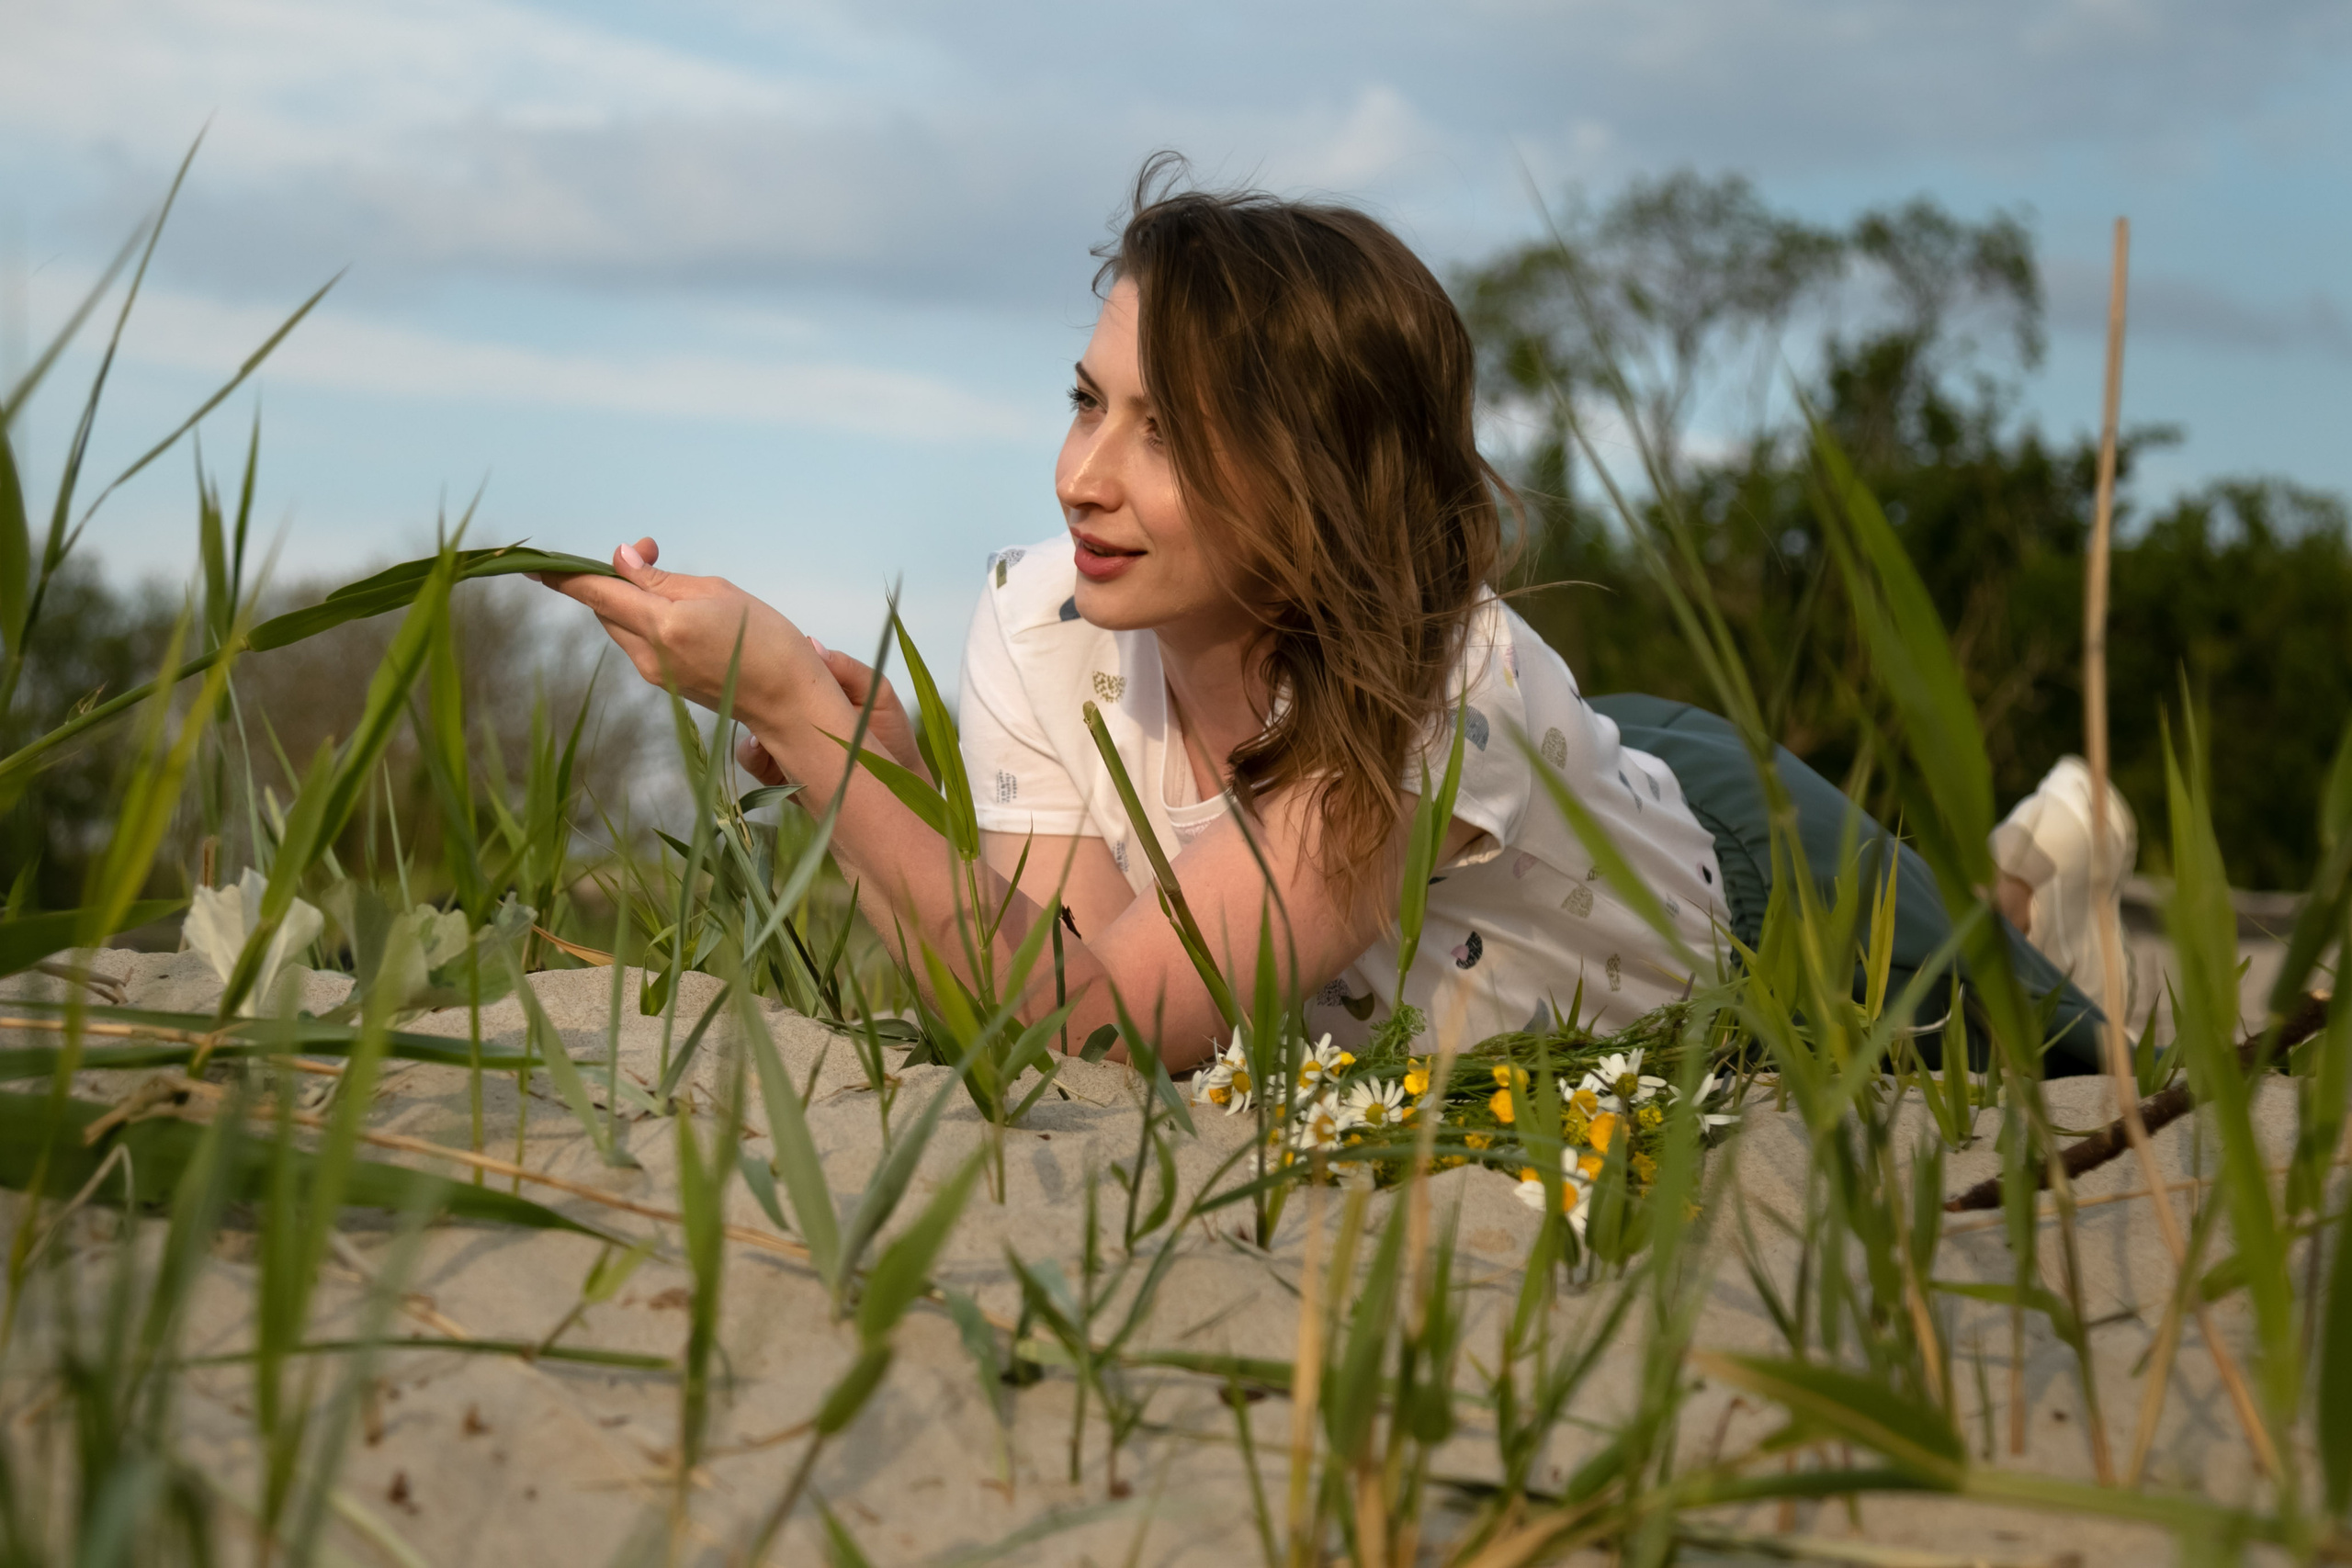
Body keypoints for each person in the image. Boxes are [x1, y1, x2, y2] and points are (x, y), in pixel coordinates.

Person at [539, 161, 2119, 1075]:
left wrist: (802, 726)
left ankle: (2033, 870)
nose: (1084, 476)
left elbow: (1108, 1030)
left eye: (1167, 432)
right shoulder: (1041, 619)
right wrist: (874, 758)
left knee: (2061, 1055)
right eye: (1088, 401)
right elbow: (1061, 981)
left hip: (1749, 886)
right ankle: (2030, 859)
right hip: (1567, 822)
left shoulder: (1434, 696)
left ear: (1317, 474)